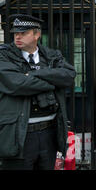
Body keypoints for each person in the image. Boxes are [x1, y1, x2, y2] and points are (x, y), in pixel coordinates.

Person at [0, 14, 76, 170]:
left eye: (23, 33)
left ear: (37, 35)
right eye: (15, 33)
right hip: (19, 134)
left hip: (49, 133)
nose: (18, 37)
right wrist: (53, 82)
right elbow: (18, 84)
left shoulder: (52, 56)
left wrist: (35, 74)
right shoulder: (4, 56)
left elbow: (68, 76)